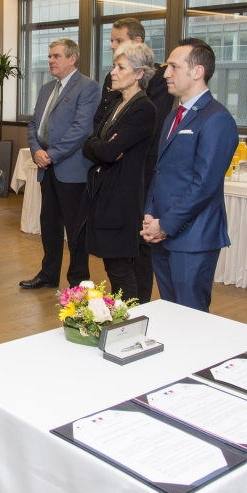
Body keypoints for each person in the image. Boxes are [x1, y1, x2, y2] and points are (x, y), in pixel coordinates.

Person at [141, 38, 238, 312]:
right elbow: (159, 171)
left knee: (192, 316)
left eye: (174, 66)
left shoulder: (216, 118)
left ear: (197, 72)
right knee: (171, 312)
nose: (166, 73)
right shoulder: (173, 117)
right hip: (163, 231)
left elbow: (204, 185)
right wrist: (150, 214)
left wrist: (166, 224)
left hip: (193, 237)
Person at [94, 17, 174, 303]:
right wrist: (103, 144)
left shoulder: (149, 98)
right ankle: (126, 308)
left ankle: (136, 308)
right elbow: (97, 136)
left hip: (140, 175)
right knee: (115, 259)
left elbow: (111, 145)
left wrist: (106, 145)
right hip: (114, 181)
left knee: (135, 252)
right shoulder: (117, 95)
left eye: (118, 41)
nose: (112, 47)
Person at [20, 39, 100, 290]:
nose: (51, 61)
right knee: (50, 224)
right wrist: (36, 151)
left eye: (56, 56)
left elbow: (82, 129)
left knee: (76, 230)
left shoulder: (88, 87)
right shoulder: (46, 88)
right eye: (50, 56)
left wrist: (52, 154)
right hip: (47, 168)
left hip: (73, 170)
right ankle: (48, 274)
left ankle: (78, 281)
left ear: (72, 59)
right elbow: (34, 124)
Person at [82, 42, 157, 300]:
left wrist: (101, 147)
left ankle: (129, 322)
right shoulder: (116, 103)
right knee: (113, 267)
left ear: (139, 74)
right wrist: (100, 145)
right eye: (114, 65)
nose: (113, 72)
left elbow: (108, 153)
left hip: (122, 197)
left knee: (120, 269)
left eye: (121, 67)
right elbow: (90, 144)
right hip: (106, 194)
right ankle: (123, 321)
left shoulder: (143, 107)